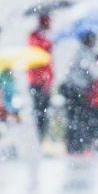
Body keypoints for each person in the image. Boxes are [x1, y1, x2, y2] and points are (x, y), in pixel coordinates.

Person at [62, 32, 98, 155]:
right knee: (76, 120)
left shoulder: (85, 53)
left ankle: (76, 147)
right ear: (88, 41)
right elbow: (92, 72)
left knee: (77, 119)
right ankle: (75, 148)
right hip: (74, 90)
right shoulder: (83, 53)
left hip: (75, 89)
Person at [27, 13, 55, 141]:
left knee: (44, 113)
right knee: (39, 112)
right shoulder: (35, 37)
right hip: (37, 81)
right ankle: (36, 139)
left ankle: (41, 139)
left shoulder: (45, 37)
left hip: (46, 81)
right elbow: (38, 56)